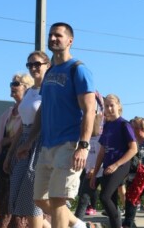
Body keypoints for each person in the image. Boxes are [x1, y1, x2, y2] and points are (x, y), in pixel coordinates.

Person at [16, 22, 96, 228]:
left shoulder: (78, 69)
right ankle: (79, 225)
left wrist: (83, 146)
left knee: (58, 199)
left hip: (69, 144)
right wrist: (29, 141)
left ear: (70, 40)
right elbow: (43, 111)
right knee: (39, 199)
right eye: (51, 35)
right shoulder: (50, 74)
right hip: (47, 145)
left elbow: (89, 109)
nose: (52, 38)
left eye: (58, 35)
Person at [4, 52, 51, 228]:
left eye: (37, 64)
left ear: (47, 65)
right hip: (24, 142)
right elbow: (22, 126)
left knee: (34, 196)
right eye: (30, 65)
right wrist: (10, 154)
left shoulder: (49, 90)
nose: (33, 68)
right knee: (23, 198)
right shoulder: (30, 92)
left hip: (40, 142)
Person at [0, 73, 33, 228]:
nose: (12, 86)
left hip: (21, 161)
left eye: (16, 83)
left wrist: (10, 140)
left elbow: (28, 135)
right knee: (1, 203)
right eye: (11, 83)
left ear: (26, 88)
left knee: (16, 205)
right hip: (4, 162)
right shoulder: (6, 114)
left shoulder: (30, 113)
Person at [91, 94, 138, 228]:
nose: (109, 108)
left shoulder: (124, 124)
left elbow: (133, 149)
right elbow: (102, 151)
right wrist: (94, 174)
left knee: (104, 197)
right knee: (110, 201)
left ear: (118, 106)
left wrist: (117, 164)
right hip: (107, 166)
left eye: (112, 105)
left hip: (121, 165)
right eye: (106, 106)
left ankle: (123, 224)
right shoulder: (106, 126)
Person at [74, 102, 103, 220]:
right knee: (83, 198)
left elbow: (103, 154)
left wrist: (95, 168)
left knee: (108, 200)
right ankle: (77, 223)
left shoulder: (102, 134)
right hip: (89, 170)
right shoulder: (85, 135)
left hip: (102, 170)